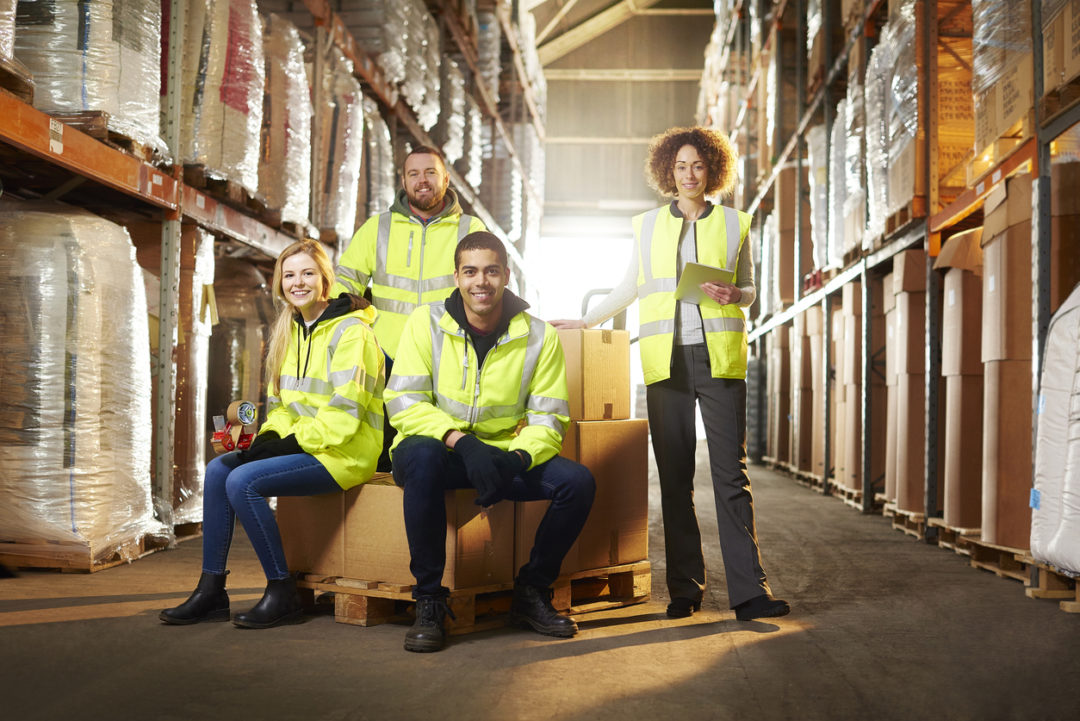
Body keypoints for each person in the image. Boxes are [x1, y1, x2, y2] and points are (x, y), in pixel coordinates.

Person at [551, 126, 790, 622]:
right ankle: (685, 588)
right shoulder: (647, 226)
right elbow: (628, 287)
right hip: (665, 363)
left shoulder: (734, 224)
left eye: (698, 165)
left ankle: (750, 592)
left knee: (730, 477)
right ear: (668, 171)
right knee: (675, 478)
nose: (689, 174)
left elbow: (751, 289)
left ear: (713, 171)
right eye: (680, 166)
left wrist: (736, 296)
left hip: (720, 361)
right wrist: (587, 321)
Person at [385, 231, 595, 652]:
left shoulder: (539, 336)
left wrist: (517, 459)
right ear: (457, 277)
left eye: (491, 271)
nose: (481, 281)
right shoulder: (425, 323)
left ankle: (531, 591)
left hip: (500, 458)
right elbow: (404, 401)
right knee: (423, 456)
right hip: (436, 451)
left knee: (577, 482)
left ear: (506, 275)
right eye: (471, 271)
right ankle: (428, 599)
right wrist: (461, 442)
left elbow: (549, 418)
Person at [161, 240, 385, 629]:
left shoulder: (352, 333)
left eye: (307, 273)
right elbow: (281, 407)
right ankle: (211, 588)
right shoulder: (289, 330)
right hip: (304, 444)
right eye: (289, 274)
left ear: (325, 280)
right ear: (281, 283)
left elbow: (345, 415)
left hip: (345, 452)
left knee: (244, 481)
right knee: (220, 470)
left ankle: (281, 591)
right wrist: (267, 439)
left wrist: (289, 444)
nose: (298, 282)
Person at [332, 146, 486, 470]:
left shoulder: (469, 230)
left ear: (445, 178)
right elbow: (344, 281)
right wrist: (355, 328)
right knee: (382, 452)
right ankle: (381, 518)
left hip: (446, 357)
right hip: (384, 358)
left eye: (430, 172)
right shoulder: (379, 228)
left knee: (435, 448)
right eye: (413, 174)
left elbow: (487, 290)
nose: (422, 180)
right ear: (403, 181)